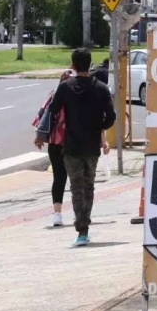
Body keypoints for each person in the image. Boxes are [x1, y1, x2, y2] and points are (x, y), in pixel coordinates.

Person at [48, 48, 116, 246]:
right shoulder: (101, 88)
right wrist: (99, 127)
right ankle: (84, 225)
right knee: (89, 186)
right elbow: (111, 117)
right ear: (90, 64)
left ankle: (82, 229)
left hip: (71, 145)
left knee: (76, 187)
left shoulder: (65, 87)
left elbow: (53, 111)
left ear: (73, 65)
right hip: (92, 144)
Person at [33, 69, 72, 227]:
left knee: (59, 177)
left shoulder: (53, 95)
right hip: (73, 143)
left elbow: (41, 114)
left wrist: (39, 136)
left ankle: (57, 214)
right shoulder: (77, 96)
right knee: (78, 178)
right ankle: (81, 213)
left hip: (55, 142)